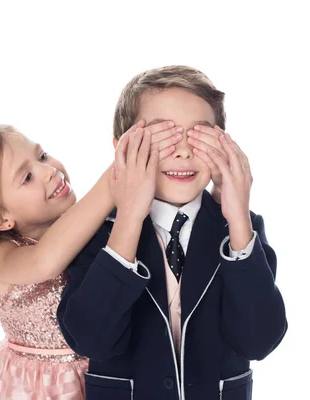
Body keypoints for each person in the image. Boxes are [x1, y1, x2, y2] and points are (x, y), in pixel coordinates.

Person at [57, 65, 287, 400]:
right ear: (122, 149)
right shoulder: (95, 233)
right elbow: (91, 339)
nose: (183, 150)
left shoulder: (242, 232)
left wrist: (238, 220)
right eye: (163, 136)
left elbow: (259, 339)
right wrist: (130, 218)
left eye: (199, 136)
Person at [0, 121, 183, 399]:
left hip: (107, 375)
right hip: (41, 389)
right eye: (27, 177)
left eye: (42, 156)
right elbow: (45, 261)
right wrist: (116, 176)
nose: (49, 170)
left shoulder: (90, 229)